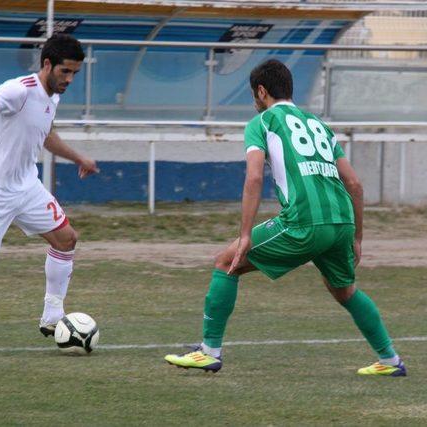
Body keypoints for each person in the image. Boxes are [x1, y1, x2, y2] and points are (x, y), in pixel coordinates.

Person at [164, 59, 405, 377]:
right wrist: (357, 238)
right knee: (344, 290)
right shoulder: (318, 124)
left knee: (226, 262)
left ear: (261, 91)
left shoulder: (263, 121)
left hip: (304, 222)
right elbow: (355, 184)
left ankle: (208, 352)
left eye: (254, 95)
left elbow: (253, 178)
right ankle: (390, 360)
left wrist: (246, 234)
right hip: (342, 220)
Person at [0, 34, 99, 353]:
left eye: (75, 73)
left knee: (67, 239)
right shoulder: (19, 90)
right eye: (65, 71)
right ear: (47, 64)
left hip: (26, 187)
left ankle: (52, 316)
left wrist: (78, 157)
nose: (70, 79)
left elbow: (45, 134)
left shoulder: (53, 98)